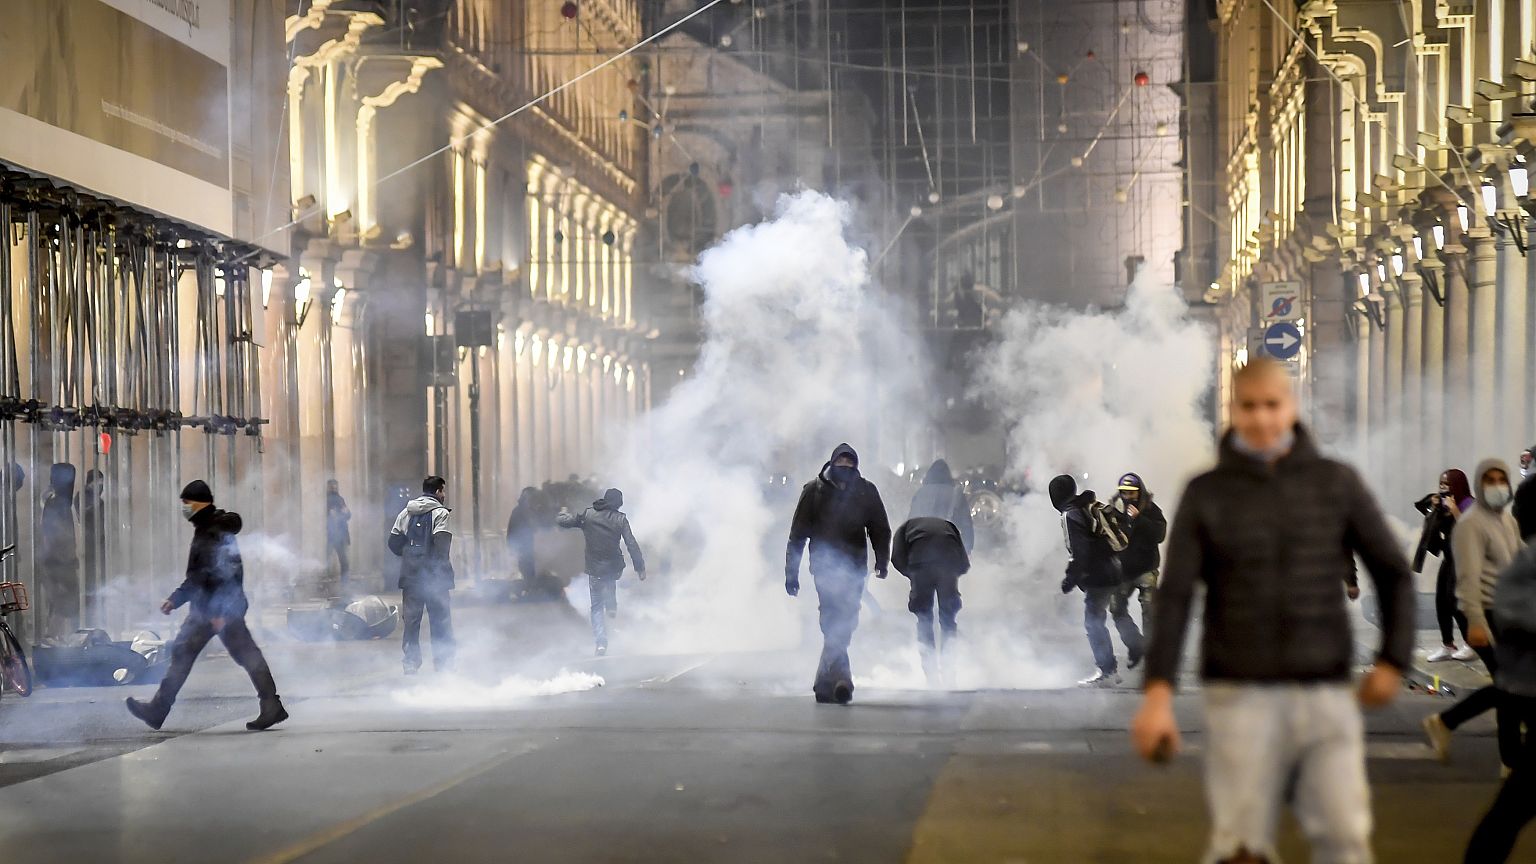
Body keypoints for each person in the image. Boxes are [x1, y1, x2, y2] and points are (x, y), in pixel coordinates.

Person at [1130, 359, 1414, 864]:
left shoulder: (1335, 483)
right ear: (1233, 410)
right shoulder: (1206, 492)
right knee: (1240, 848)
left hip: (1323, 691)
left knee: (1344, 840)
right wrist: (1157, 694)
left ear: (1291, 407)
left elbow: (1392, 570)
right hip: (1238, 694)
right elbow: (1175, 595)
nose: (1261, 419)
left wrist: (1393, 659)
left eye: (1271, 406)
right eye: (1249, 407)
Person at [126, 480, 286, 731]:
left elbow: (226, 574)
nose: (184, 508)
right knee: (185, 652)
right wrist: (175, 599)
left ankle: (271, 705)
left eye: (187, 503)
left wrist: (221, 612)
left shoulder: (214, 531)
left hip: (219, 609)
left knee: (244, 655)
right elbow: (200, 576)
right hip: (206, 608)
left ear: (199, 504)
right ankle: (158, 708)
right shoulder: (206, 528)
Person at [1423, 459, 1524, 772]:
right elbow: (1465, 576)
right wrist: (1475, 621)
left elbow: (1521, 557)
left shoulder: (1505, 522)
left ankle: (1448, 723)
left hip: (1507, 612)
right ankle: (1509, 758)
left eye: (1501, 479)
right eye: (1490, 479)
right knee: (1510, 683)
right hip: (1483, 613)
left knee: (1510, 684)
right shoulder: (1470, 524)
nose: (1497, 485)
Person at [786, 443, 892, 705]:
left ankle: (824, 684)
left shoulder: (866, 492)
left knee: (847, 619)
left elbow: (880, 528)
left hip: (855, 567)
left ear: (856, 465)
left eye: (850, 463)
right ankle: (843, 678)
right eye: (841, 462)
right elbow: (797, 535)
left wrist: (882, 561)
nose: (845, 467)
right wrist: (792, 573)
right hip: (824, 567)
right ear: (832, 463)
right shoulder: (813, 491)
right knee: (833, 620)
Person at [1463, 539, 1536, 862]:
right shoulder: (1527, 563)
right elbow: (1469, 577)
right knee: (1511, 811)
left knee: (1512, 808)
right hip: (1527, 687)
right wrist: (1476, 618)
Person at [1050, 473, 1138, 687]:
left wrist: (1070, 579)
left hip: (1099, 574)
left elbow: (1080, 552)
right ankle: (1134, 651)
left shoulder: (1071, 514)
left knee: (1094, 622)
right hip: (1112, 569)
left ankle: (1107, 671)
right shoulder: (1089, 506)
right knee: (1107, 615)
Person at [557, 488, 646, 656]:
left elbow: (566, 522)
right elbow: (631, 544)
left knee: (596, 607)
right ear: (618, 503)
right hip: (613, 567)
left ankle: (600, 643)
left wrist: (561, 514)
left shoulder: (588, 515)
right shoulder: (621, 519)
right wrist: (639, 567)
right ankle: (612, 606)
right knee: (610, 582)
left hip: (595, 568)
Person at [388, 476, 455, 675]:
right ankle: (443, 664)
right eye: (442, 491)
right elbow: (441, 545)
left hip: (411, 577)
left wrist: (409, 555)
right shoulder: (441, 513)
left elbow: (393, 543)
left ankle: (410, 663)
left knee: (411, 622)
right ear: (437, 492)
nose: (443, 495)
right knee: (440, 620)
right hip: (434, 578)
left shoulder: (405, 513)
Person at [891, 515, 969, 685]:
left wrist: (913, 574)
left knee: (924, 620)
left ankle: (931, 675)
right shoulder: (949, 526)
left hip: (920, 567)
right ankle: (950, 673)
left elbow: (896, 558)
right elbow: (964, 562)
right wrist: (952, 574)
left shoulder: (905, 528)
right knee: (948, 621)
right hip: (948, 566)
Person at [1414, 469, 1477, 663]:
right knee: (1441, 602)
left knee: (1456, 603)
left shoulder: (1469, 504)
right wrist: (1433, 508)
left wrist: (1455, 510)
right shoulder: (1443, 502)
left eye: (1447, 484)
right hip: (1448, 558)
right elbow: (1431, 524)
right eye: (1441, 483)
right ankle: (1447, 644)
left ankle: (1471, 644)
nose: (1443, 488)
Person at [1107, 472, 1166, 627]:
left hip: (1146, 568)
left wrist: (1139, 519)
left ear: (1139, 492)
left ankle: (1149, 648)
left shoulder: (1151, 509)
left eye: (1132, 493)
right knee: (1116, 609)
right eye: (1124, 492)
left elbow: (1160, 535)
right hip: (1123, 570)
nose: (1128, 496)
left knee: (1149, 609)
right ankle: (1135, 644)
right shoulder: (1113, 511)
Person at [38, 463, 79, 639]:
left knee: (65, 604)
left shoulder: (58, 502)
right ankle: (53, 640)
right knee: (62, 603)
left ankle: (59, 639)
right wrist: (61, 559)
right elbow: (51, 535)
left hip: (62, 561)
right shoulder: (55, 503)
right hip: (57, 562)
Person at [908, 459, 974, 552]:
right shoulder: (956, 494)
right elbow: (966, 523)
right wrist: (968, 548)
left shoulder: (920, 493)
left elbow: (912, 520)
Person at [506, 487, 543, 588]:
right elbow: (512, 529)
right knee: (527, 569)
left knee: (532, 569)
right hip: (524, 547)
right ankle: (530, 588)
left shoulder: (534, 510)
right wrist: (512, 546)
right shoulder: (519, 511)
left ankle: (531, 588)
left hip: (533, 547)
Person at [325, 479, 352, 594]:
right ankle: (328, 587)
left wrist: (343, 514)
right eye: (332, 486)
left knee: (344, 563)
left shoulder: (340, 499)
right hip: (332, 535)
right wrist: (342, 514)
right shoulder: (327, 500)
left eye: (335, 486)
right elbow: (334, 516)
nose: (334, 488)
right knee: (328, 562)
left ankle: (344, 586)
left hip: (341, 535)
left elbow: (348, 515)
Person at [1513, 446, 1536, 541]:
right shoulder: (1523, 490)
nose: (1526, 465)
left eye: (1529, 462)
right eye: (1523, 461)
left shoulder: (1524, 489)